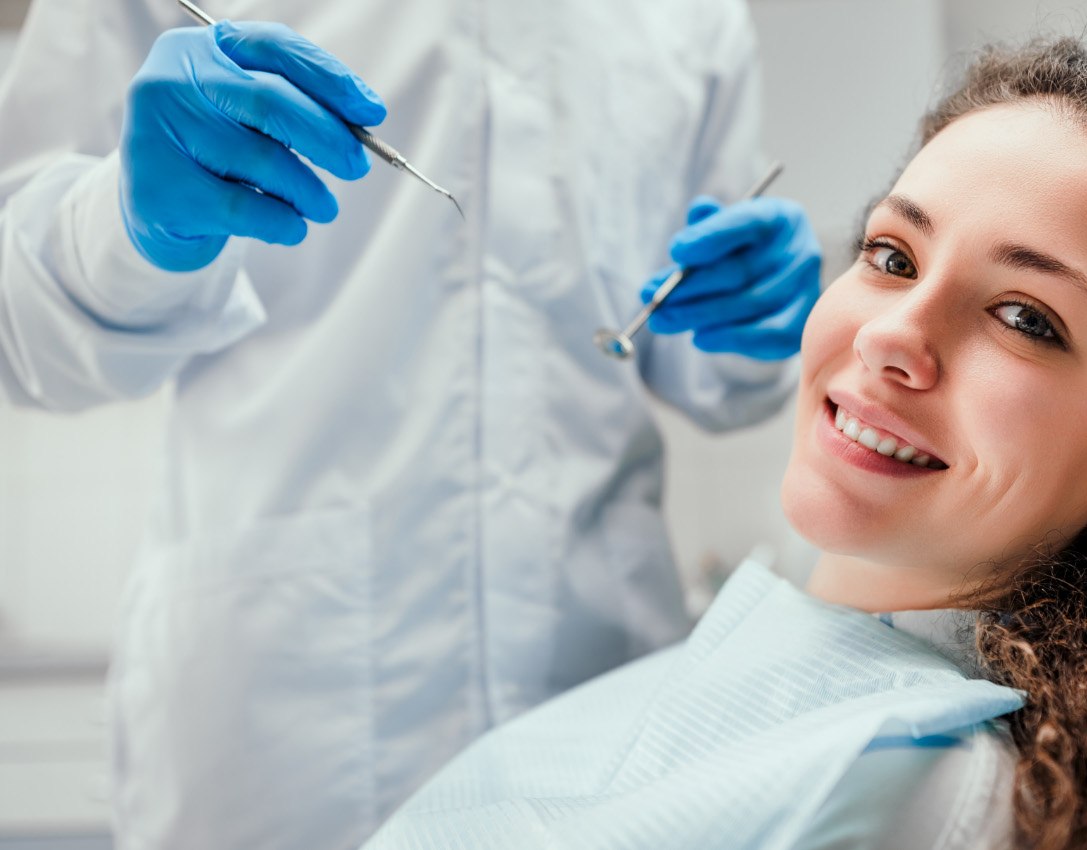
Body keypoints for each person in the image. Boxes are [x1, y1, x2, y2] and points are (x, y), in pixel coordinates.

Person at [358, 37, 1087, 850]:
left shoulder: (888, 787)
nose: (890, 334)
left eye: (1023, 316)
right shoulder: (821, 708)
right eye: (891, 254)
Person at [0, 1, 821, 848]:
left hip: (598, 686)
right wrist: (131, 223)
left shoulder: (694, 17)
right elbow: (18, 330)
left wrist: (753, 321)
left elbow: (694, 358)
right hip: (283, 726)